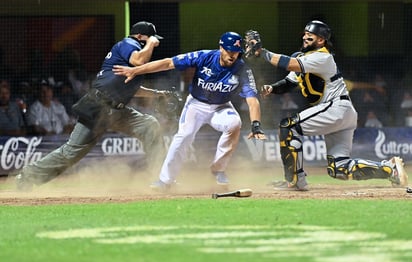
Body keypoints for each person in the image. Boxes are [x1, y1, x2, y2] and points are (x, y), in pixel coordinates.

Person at [244, 20, 408, 191]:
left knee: (288, 126)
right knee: (339, 168)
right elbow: (289, 82)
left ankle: (293, 180)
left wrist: (260, 51)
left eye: (310, 34)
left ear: (321, 40)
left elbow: (290, 63)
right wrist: (272, 88)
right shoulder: (304, 58)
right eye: (305, 33)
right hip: (340, 113)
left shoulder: (323, 57)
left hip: (336, 108)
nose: (305, 36)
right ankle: (389, 169)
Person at [14, 21, 165, 191]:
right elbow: (138, 60)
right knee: (71, 153)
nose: (154, 42)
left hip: (116, 110)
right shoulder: (128, 44)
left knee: (149, 125)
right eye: (151, 38)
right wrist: (150, 42)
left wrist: (159, 94)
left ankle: (161, 179)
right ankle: (28, 176)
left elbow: (133, 88)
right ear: (140, 37)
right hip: (99, 106)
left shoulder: (132, 56)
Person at [113, 31, 266, 191]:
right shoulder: (204, 56)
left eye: (236, 51)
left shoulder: (242, 69)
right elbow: (168, 63)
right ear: (221, 47)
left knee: (234, 123)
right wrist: (135, 71)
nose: (232, 55)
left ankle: (218, 169)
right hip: (196, 105)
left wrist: (256, 124)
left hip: (221, 106)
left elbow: (252, 100)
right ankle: (165, 181)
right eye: (229, 50)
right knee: (183, 136)